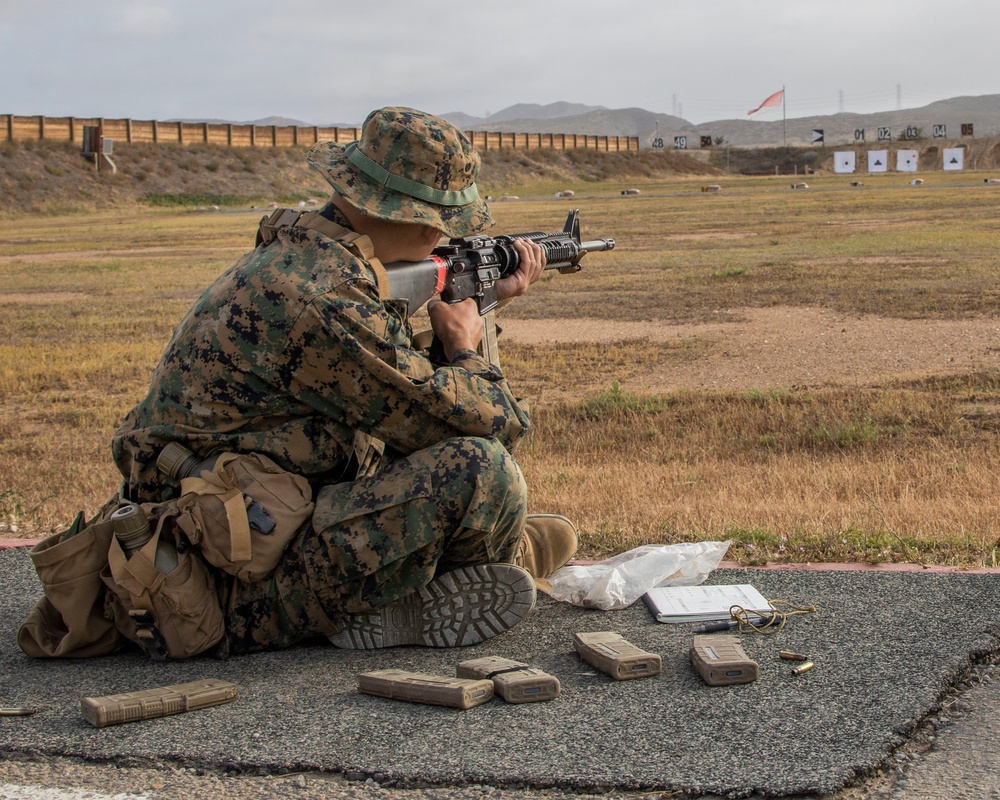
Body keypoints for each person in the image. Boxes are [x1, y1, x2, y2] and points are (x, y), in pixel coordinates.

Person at [111, 106, 578, 655]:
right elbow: (498, 425)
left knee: (489, 495)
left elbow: (389, 399)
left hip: (233, 520)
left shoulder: (307, 259)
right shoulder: (324, 300)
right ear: (425, 221)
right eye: (442, 225)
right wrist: (464, 345)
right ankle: (385, 605)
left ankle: (472, 560)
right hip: (218, 585)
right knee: (483, 475)